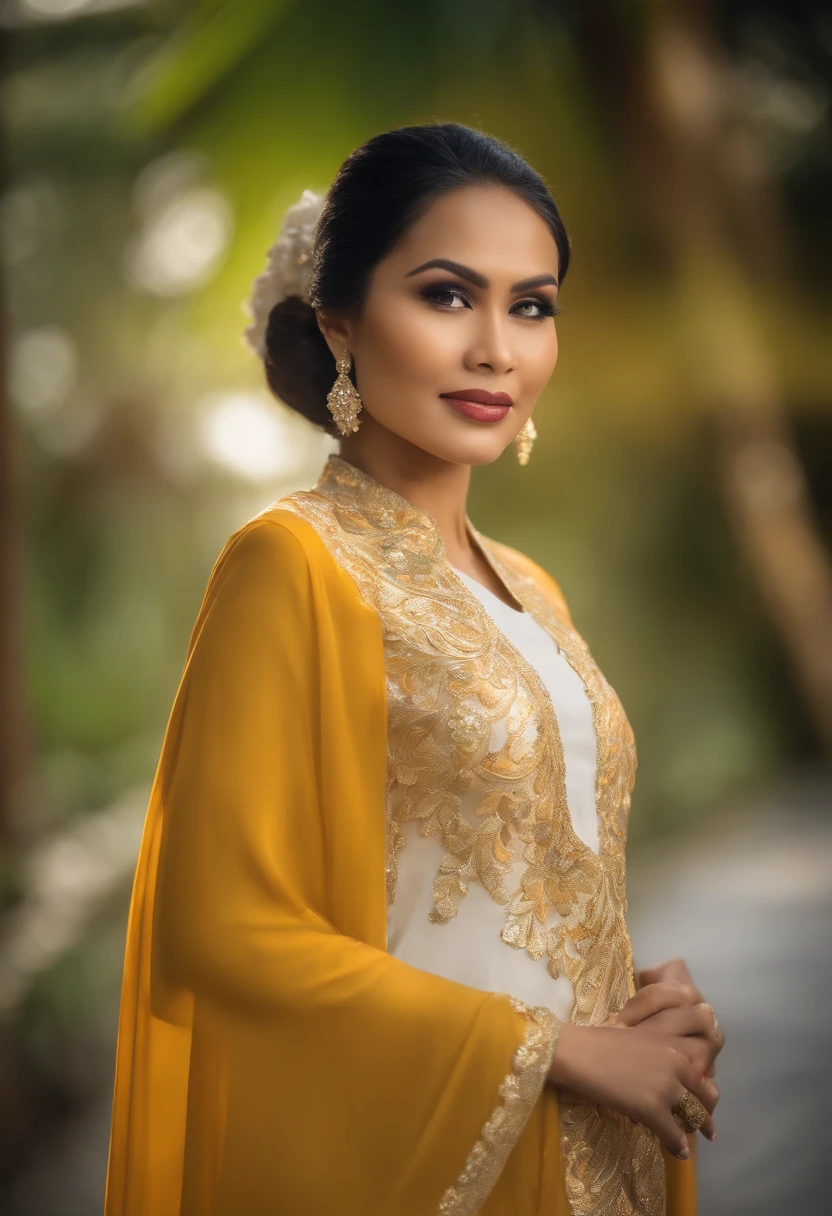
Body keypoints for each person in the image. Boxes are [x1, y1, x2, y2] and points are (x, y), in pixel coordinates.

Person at [104, 123, 724, 1216]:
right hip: (431, 1161)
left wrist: (636, 1012)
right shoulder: (288, 563)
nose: (497, 347)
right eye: (447, 295)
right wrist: (552, 1050)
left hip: (595, 1160)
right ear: (340, 321)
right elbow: (220, 927)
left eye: (531, 306)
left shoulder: (534, 590)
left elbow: (515, 894)